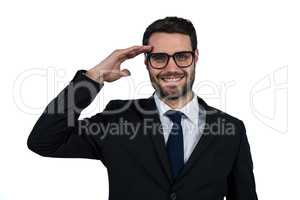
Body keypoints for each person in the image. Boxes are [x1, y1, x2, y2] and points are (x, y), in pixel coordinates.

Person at [27, 16, 258, 200]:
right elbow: (44, 140)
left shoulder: (231, 130)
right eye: (159, 58)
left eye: (182, 56)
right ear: (146, 63)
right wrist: (93, 77)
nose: (171, 67)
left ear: (195, 57)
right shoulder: (116, 119)